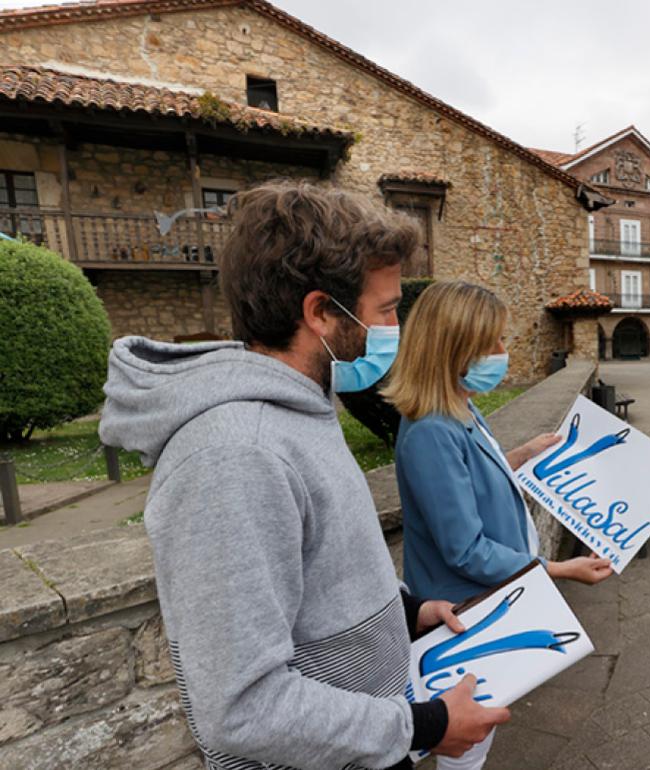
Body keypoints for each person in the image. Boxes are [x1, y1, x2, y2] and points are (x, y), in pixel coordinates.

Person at [99, 181, 507, 770]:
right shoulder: (235, 455)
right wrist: (426, 725)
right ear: (320, 313)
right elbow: (241, 705)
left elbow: (318, 568)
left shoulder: (301, 412)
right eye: (387, 309)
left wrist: (407, 609)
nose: (397, 325)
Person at [382, 279, 613, 770]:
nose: (503, 353)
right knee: (467, 743)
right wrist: (557, 569)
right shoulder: (431, 430)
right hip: (466, 609)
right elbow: (466, 550)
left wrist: (520, 455)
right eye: (493, 344)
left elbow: (462, 479)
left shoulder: (458, 404)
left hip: (486, 598)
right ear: (454, 348)